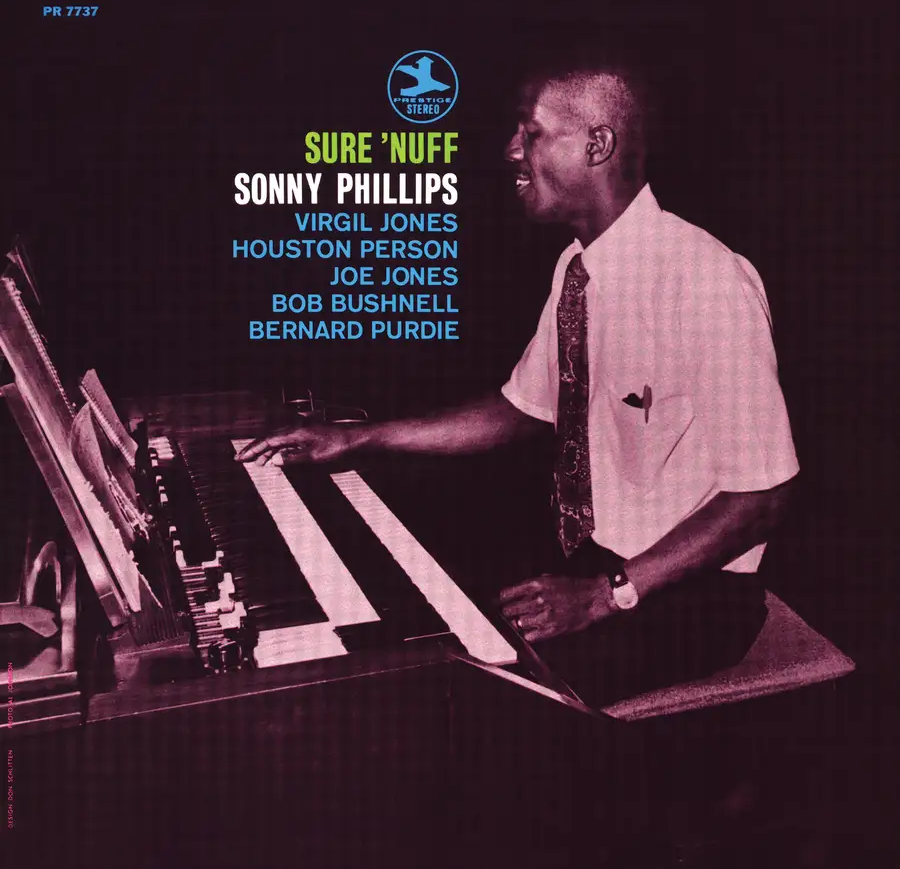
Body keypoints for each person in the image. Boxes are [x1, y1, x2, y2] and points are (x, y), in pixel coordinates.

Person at [236, 52, 800, 709]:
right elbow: (521, 408)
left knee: (459, 703)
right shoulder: (577, 270)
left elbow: (763, 497)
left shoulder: (705, 281)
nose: (511, 151)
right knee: (416, 631)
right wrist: (358, 438)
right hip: (598, 560)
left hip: (691, 594)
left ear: (597, 145)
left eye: (530, 133)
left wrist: (608, 593)